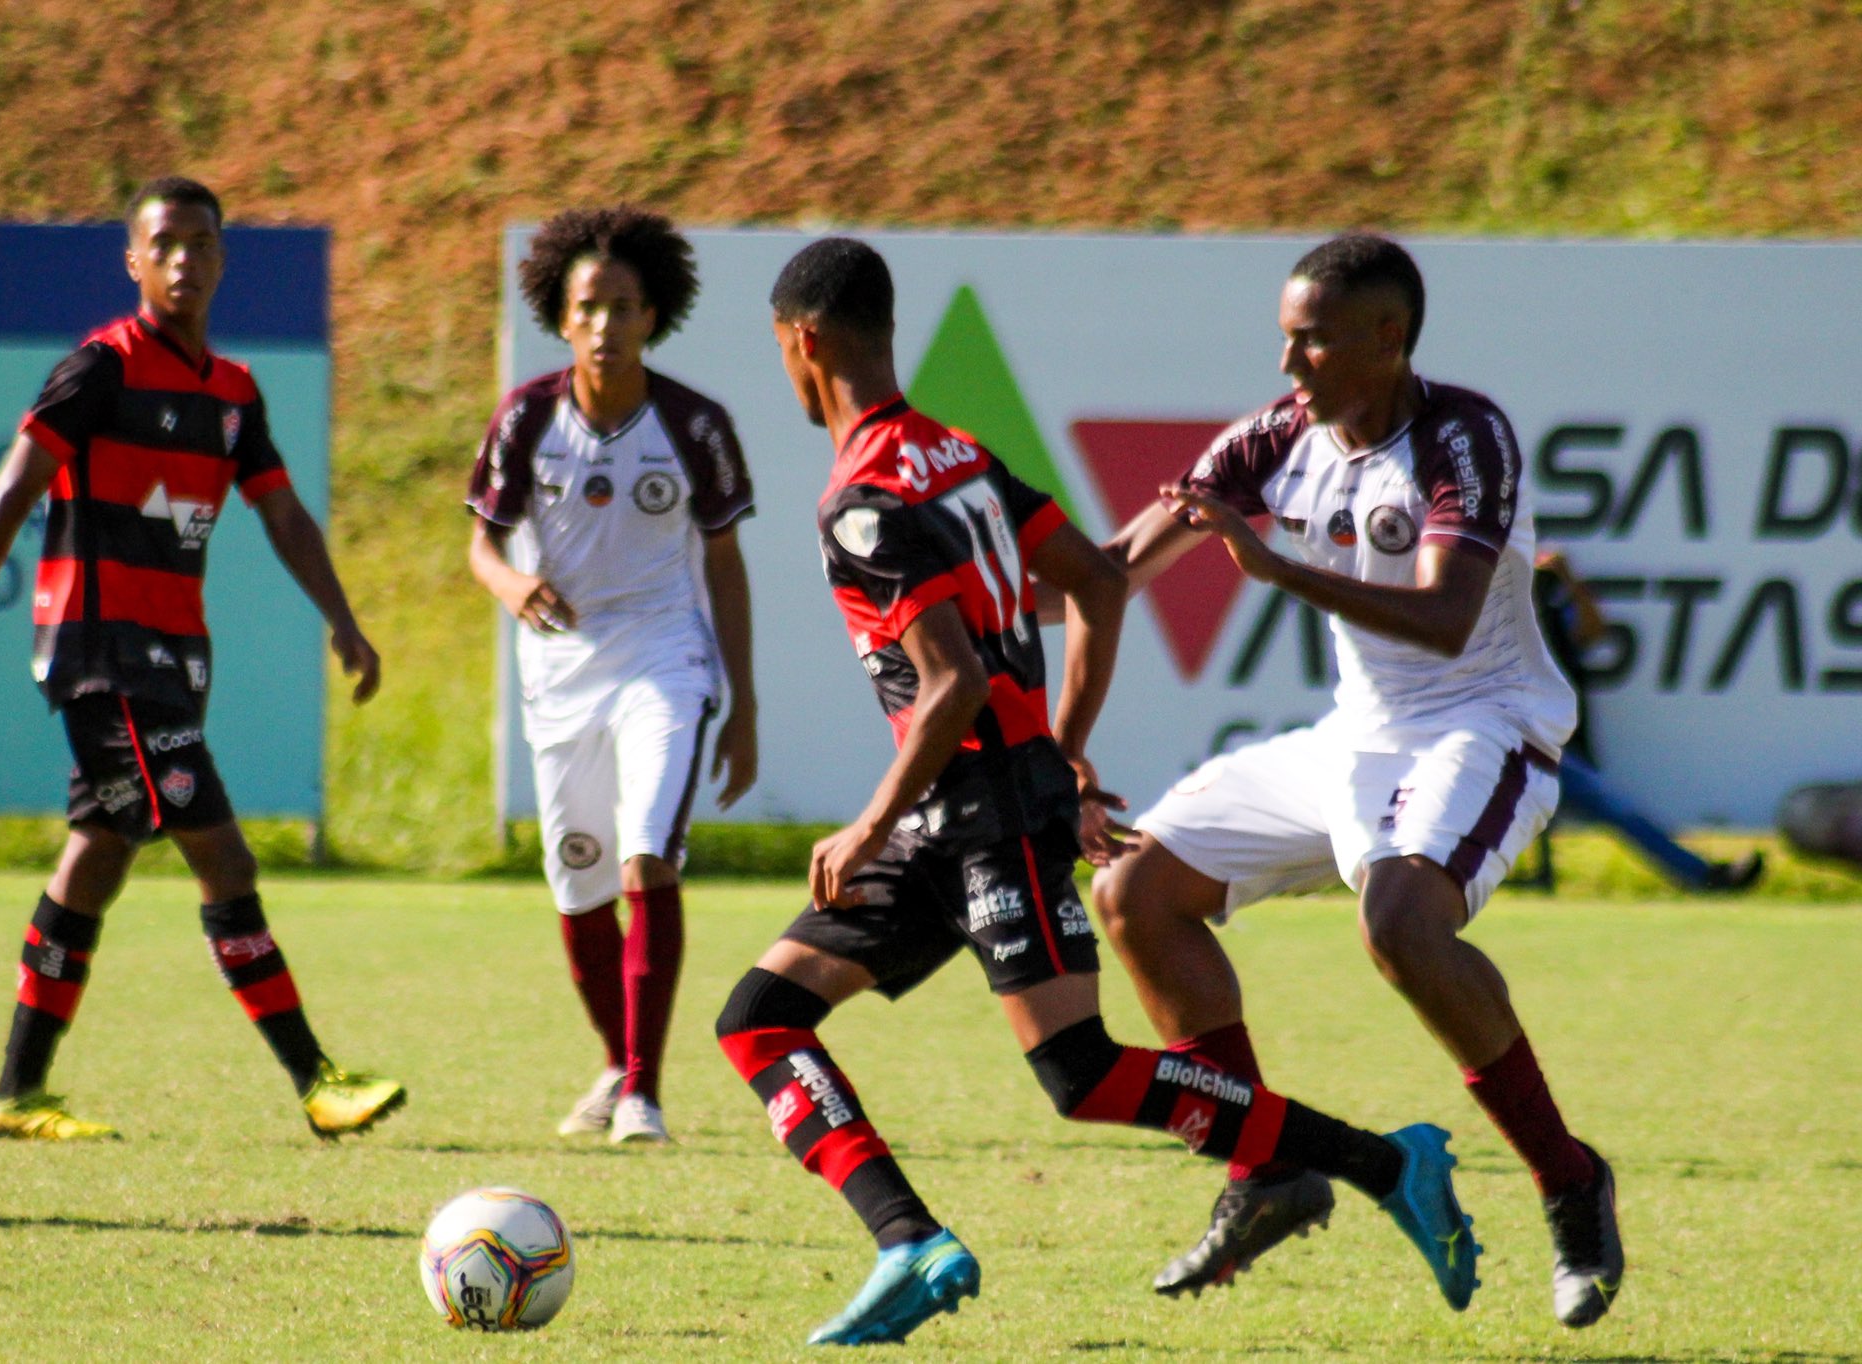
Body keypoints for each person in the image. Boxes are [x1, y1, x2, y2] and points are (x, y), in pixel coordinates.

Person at [714, 236, 1481, 1348]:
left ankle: (1380, 1160)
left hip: (974, 819)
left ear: (801, 344)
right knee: (760, 1017)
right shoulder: (957, 453)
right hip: (966, 810)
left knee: (1079, 1071)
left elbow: (952, 684)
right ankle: (908, 1241)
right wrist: (1060, 748)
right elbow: (1095, 579)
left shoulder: (863, 502)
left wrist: (872, 817)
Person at [1088, 233, 1624, 1329]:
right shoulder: (1276, 436)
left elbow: (1442, 621)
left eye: (1313, 340)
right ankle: (1264, 1169)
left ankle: (1568, 1180)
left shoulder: (1461, 434)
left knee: (1400, 927)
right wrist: (1018, 642)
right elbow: (1107, 576)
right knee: (1133, 891)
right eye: (1285, 338)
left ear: (1387, 338)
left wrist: (1280, 568)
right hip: (1357, 732)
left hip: (1480, 724)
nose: (1290, 366)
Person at [0, 176, 404, 1142]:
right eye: (164, 243)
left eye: (201, 242)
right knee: (221, 849)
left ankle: (15, 1093)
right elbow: (13, 493)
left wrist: (342, 619)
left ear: (222, 258)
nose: (184, 259)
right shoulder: (101, 368)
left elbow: (284, 513)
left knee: (97, 855)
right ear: (134, 261)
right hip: (103, 651)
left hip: (174, 654)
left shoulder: (233, 392)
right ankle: (315, 1081)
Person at [466, 206, 757, 1146]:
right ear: (560, 315)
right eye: (588, 306)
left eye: (623, 306)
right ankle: (615, 1062)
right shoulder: (526, 418)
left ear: (652, 315)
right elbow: (482, 544)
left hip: (663, 660)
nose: (604, 324)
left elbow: (724, 561)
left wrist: (742, 701)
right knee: (579, 887)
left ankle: (643, 1091)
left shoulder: (695, 424)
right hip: (559, 672)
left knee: (645, 860)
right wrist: (510, 581)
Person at [1529, 549, 1765, 893]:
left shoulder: (1543, 604)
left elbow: (1593, 631)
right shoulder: (1486, 604)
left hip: (1546, 743)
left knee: (1614, 807)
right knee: (1612, 806)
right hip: (1505, 740)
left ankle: (1704, 876)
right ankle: (1703, 876)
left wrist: (1567, 577)